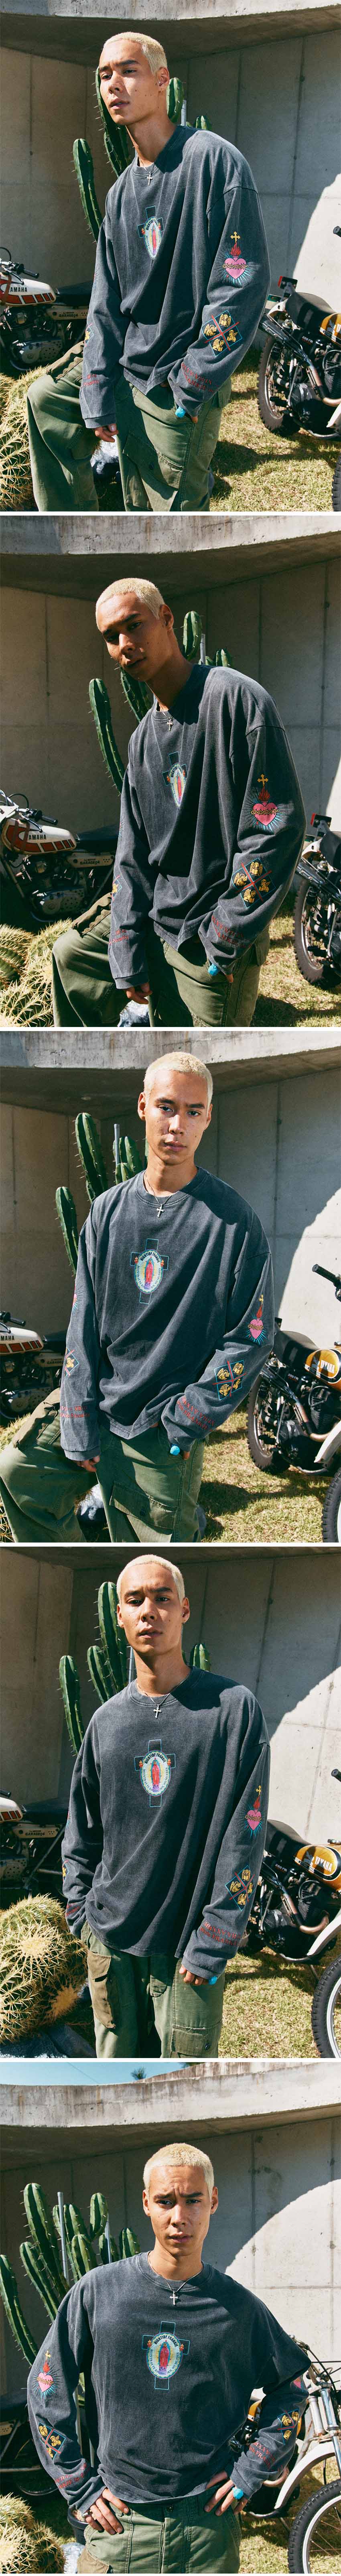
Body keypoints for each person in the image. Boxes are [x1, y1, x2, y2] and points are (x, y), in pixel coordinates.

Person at [0, 1052, 274, 1548]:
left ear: (208, 1117)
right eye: (167, 1107)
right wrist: (78, 1418)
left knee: (151, 1556)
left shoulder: (234, 1222)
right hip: (97, 1399)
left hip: (162, 1421)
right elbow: (84, 1322)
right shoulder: (107, 1212)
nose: (178, 1124)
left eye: (193, 1111)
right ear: (144, 1106)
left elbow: (251, 1337)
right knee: (19, 1476)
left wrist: (189, 1418)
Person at [28, 2140, 308, 2574]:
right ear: (146, 2203)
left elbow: (291, 2389)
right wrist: (79, 2485)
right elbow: (47, 2387)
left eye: (193, 2199)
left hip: (208, 2529)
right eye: (165, 2201)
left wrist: (250, 2470)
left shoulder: (240, 2309)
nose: (180, 2216)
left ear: (213, 2200)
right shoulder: (99, 2294)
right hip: (120, 2527)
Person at [26, 29, 270, 517]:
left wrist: (193, 382)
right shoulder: (120, 194)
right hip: (127, 359)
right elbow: (106, 302)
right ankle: (74, 534)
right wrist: (96, 386)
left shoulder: (214, 162)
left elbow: (241, 283)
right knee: (45, 401)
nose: (114, 83)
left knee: (165, 520)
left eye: (128, 70)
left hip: (178, 372)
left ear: (163, 81)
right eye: (104, 75)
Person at [51, 577, 306, 1031]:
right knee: (70, 956)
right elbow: (132, 857)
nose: (125, 645)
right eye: (111, 636)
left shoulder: (235, 700)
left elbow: (274, 830)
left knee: (200, 1062)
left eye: (134, 625)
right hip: (157, 916)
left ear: (167, 619)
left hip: (212, 928)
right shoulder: (142, 741)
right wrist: (126, 945)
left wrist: (225, 936)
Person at [61, 1550, 270, 2059]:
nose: (148, 1611)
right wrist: (80, 1916)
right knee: (116, 2080)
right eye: (135, 1600)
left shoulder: (232, 1711)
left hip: (187, 1950)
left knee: (182, 2083)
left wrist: (216, 1934)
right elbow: (82, 1829)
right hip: (110, 1945)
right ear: (119, 1615)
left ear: (185, 1610)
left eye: (162, 1598)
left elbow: (245, 1835)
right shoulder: (106, 1723)